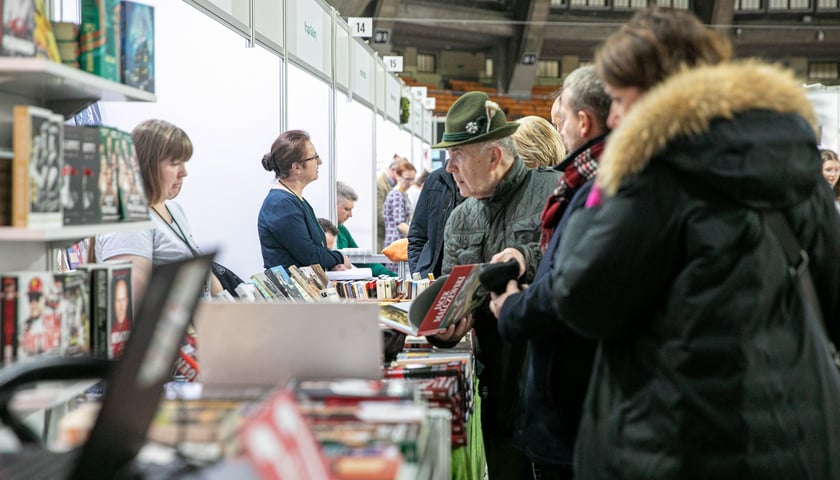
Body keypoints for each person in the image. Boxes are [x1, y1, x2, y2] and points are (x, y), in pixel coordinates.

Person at [550, 7, 840, 479]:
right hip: (796, 437)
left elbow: (582, 296)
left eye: (621, 100)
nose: (616, 116)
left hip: (677, 443)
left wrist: (604, 188)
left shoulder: (655, 178)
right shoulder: (794, 163)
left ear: (658, 94)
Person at [428, 91, 561, 479]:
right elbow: (455, 300)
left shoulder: (555, 194)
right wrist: (446, 332)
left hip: (553, 385)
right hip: (498, 390)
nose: (449, 167)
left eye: (459, 155)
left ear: (494, 157)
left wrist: (524, 260)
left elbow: (577, 272)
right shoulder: (459, 218)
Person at [489, 65, 611, 480]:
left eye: (559, 122)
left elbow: (569, 287)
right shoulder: (588, 182)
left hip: (576, 395)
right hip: (572, 395)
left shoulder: (598, 187)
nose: (557, 133)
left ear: (582, 121)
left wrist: (511, 308)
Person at [95, 119, 222, 302]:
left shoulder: (173, 208)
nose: (184, 172)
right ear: (148, 165)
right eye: (175, 163)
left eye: (184, 162)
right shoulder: (129, 221)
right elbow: (130, 303)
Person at [258, 130, 351, 271]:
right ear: (296, 167)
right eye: (314, 157)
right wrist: (339, 258)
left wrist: (331, 263)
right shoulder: (281, 204)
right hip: (289, 291)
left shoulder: (294, 200)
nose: (319, 162)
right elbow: (309, 255)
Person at [407, 162, 463, 278]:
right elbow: (417, 234)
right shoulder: (434, 180)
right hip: (432, 277)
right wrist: (419, 274)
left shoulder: (481, 183)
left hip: (466, 279)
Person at [334, 181, 398, 277]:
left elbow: (363, 260)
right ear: (332, 205)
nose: (350, 215)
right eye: (347, 209)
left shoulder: (342, 230)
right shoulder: (323, 230)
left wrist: (393, 277)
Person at [382, 160, 416, 250]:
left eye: (413, 179)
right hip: (396, 244)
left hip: (398, 243)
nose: (411, 183)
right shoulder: (396, 195)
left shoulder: (402, 194)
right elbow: (400, 224)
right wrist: (417, 236)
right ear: (397, 176)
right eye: (407, 179)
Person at [376, 155, 404, 251]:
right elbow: (379, 214)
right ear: (393, 170)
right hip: (381, 236)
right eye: (401, 173)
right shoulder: (380, 184)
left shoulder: (394, 185)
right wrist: (396, 224)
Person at [110, 276, 132, 358]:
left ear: (127, 301)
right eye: (118, 301)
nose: (121, 307)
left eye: (123, 300)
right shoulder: (111, 329)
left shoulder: (134, 326)